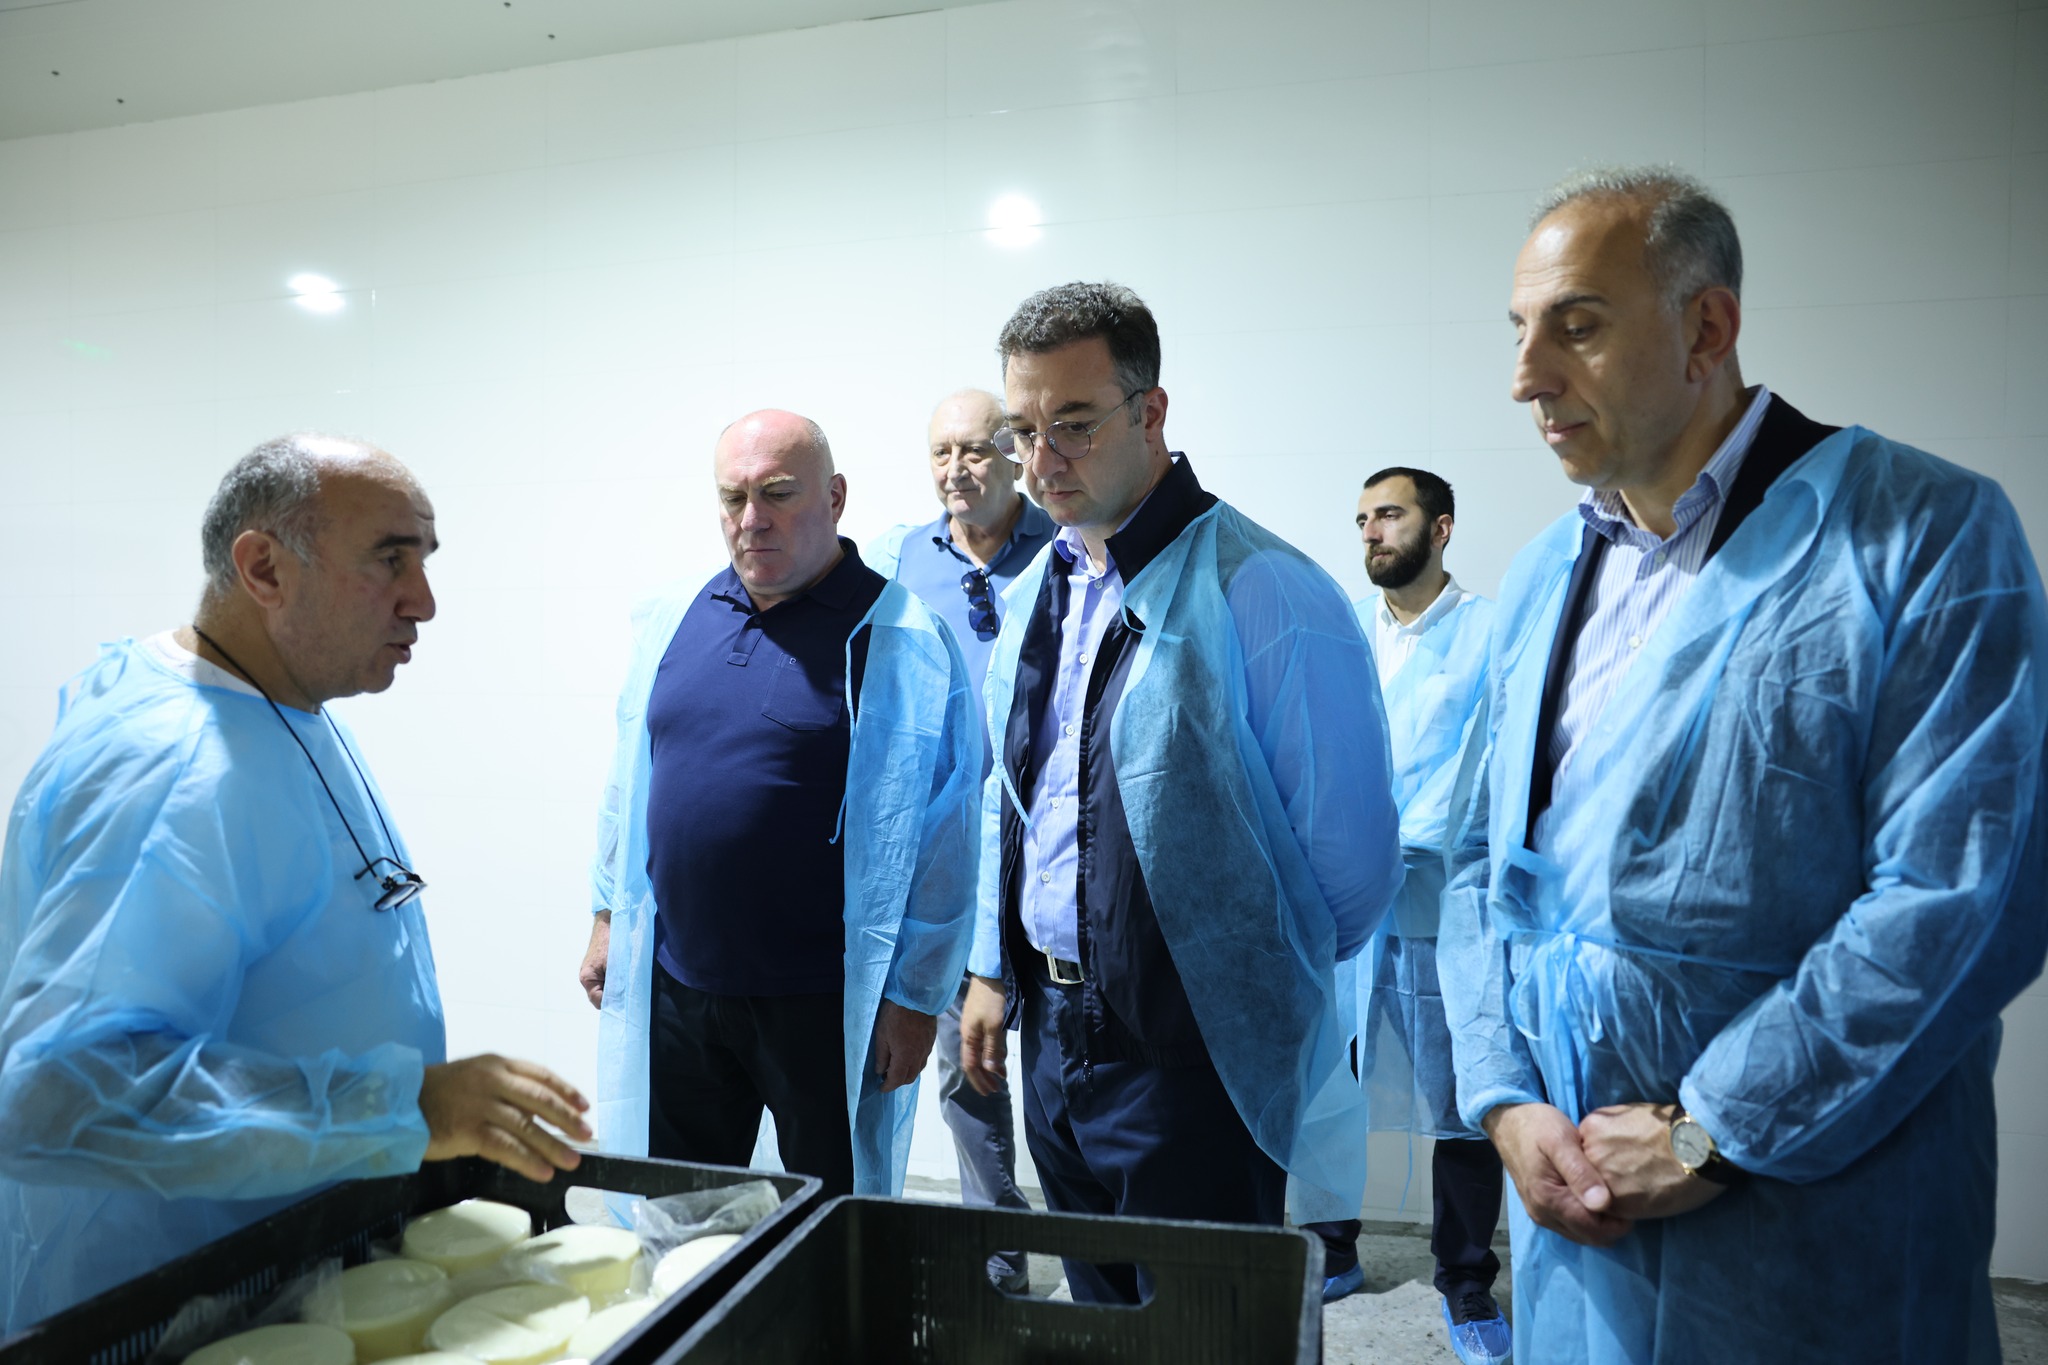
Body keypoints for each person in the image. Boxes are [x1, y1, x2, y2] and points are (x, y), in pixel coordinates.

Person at [1439, 166, 2048, 1362]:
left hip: (1814, 1215)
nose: (1525, 377)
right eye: (1518, 331)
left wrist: (1711, 1130)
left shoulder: (1920, 534)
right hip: (1574, 1204)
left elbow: (1960, 897)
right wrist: (1503, 1098)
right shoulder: (1543, 577)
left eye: (1575, 326)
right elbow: (1476, 862)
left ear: (1705, 328)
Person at [0, 435, 593, 1333]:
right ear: (265, 569)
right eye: (390, 560)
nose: (424, 601)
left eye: (425, 561)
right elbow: (64, 1092)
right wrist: (407, 1105)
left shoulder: (271, 699)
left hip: (290, 1264)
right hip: (169, 1302)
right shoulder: (171, 766)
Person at [955, 281, 1402, 1304]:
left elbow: (1350, 872)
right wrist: (992, 967)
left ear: (1149, 412)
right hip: (1052, 1037)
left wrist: (1233, 983)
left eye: (1074, 424)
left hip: (1195, 1054)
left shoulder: (1262, 587)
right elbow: (1009, 799)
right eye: (1023, 430)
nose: (1041, 461)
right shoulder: (1040, 592)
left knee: (1207, 1331)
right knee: (1102, 1321)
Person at [580, 410, 978, 1200]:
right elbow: (629, 778)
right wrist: (604, 914)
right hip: (681, 983)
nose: (751, 518)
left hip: (822, 1003)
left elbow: (946, 831)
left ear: (834, 496)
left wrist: (913, 996)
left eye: (778, 493)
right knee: (684, 1210)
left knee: (829, 1221)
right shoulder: (678, 615)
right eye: (733, 497)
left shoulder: (899, 634)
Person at [1305, 467, 1507, 1361]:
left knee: (1462, 1097)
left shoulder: (1493, 631)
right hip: (1348, 903)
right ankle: (1332, 1249)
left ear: (1442, 526)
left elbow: (1494, 764)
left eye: (1389, 514)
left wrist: (1422, 839)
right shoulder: (1343, 630)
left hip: (1445, 903)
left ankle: (1465, 1279)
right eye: (1362, 519)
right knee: (1332, 1083)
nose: (1371, 532)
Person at [868, 388, 1055, 1292]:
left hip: (1050, 849)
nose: (956, 469)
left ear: (1014, 452)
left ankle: (1105, 1240)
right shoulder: (901, 559)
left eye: (975, 449)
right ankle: (999, 1250)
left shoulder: (1062, 548)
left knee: (1063, 1062)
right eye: (942, 452)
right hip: (945, 856)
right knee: (963, 1066)